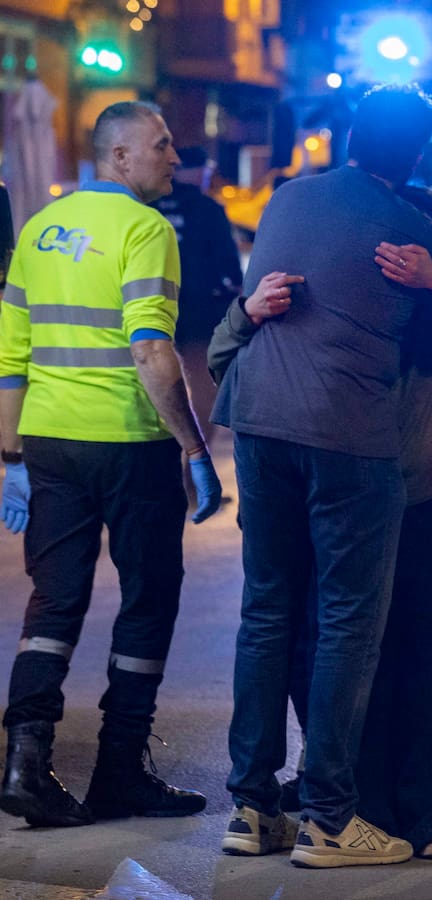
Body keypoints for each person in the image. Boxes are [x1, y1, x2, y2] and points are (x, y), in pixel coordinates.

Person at [207, 182, 432, 861]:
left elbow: (225, 363)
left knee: (325, 641)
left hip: (371, 488)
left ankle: (332, 805)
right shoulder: (422, 298)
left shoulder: (302, 297)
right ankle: (422, 818)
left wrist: (246, 315)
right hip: (416, 491)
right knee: (415, 656)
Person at [0, 100, 221, 828]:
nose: (175, 159)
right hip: (128, 442)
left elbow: (9, 356)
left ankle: (25, 764)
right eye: (162, 145)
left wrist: (11, 456)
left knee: (54, 600)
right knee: (149, 596)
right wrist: (194, 447)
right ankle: (120, 770)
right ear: (120, 156)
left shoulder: (38, 227)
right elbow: (152, 351)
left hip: (50, 444)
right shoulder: (145, 227)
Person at [150, 146, 242, 445]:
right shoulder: (208, 209)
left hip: (150, 312)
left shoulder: (147, 207)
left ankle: (167, 472)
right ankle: (194, 475)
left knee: (154, 387)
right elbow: (230, 269)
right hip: (199, 317)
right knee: (203, 391)